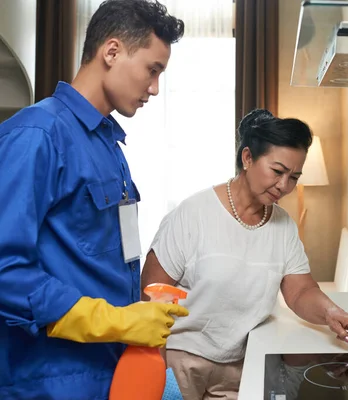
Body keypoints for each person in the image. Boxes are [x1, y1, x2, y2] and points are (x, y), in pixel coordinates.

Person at [0, 1, 189, 398]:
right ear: (112, 51)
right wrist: (115, 321)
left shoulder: (109, 145)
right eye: (152, 70)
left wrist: (138, 313)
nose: (154, 88)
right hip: (52, 381)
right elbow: (6, 273)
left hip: (108, 373)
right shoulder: (37, 136)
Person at [141, 109, 348, 400]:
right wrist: (157, 370)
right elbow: (152, 296)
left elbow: (300, 291)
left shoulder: (283, 226)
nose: (284, 185)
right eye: (277, 171)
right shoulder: (192, 215)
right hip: (182, 360)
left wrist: (331, 312)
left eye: (294, 177)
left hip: (242, 361)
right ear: (248, 158)